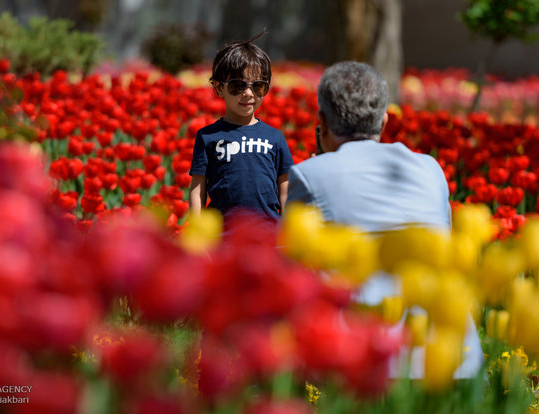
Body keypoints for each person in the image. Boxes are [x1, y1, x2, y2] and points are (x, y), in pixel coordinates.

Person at [286, 61, 483, 379]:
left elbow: (290, 264)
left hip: (367, 359)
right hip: (451, 354)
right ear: (385, 120)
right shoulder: (429, 168)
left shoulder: (310, 175)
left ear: (321, 120)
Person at [189, 32, 294, 221]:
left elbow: (284, 188)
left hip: (267, 235)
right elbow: (198, 190)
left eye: (258, 86)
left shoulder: (275, 138)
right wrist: (198, 233)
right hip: (223, 239)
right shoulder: (208, 137)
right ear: (219, 88)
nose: (248, 94)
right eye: (237, 86)